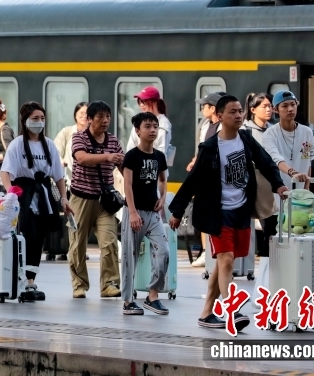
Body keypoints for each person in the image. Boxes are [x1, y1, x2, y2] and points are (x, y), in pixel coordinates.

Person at [169, 95, 288, 331]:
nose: (237, 115)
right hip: (217, 213)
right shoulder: (211, 147)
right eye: (232, 112)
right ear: (220, 116)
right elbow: (193, 181)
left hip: (241, 211)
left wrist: (279, 185)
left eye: (239, 111)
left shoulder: (245, 139)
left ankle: (206, 313)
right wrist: (177, 210)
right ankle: (232, 312)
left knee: (224, 264)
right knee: (227, 260)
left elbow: (266, 162)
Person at [0, 101, 68, 301]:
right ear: (25, 120)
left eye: (42, 118)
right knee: (25, 236)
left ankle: (30, 281)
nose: (39, 122)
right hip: (24, 194)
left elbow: (58, 176)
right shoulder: (17, 144)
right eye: (35, 118)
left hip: (43, 195)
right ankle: (21, 279)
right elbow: (6, 172)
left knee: (38, 239)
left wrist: (63, 199)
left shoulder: (50, 145)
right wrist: (11, 194)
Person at [68, 100, 123, 298]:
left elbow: (124, 167)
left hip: (104, 201)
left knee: (109, 242)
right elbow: (82, 158)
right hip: (80, 200)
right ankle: (79, 285)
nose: (105, 120)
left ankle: (109, 284)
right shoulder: (78, 138)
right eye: (99, 116)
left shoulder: (114, 141)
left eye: (107, 116)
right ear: (89, 119)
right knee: (77, 245)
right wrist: (108, 157)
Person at [120, 112, 169, 316]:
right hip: (134, 212)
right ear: (138, 131)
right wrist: (132, 212)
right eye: (147, 126)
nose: (152, 130)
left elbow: (163, 180)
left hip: (153, 214)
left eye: (155, 126)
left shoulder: (159, 156)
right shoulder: (131, 156)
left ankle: (152, 295)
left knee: (164, 251)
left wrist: (163, 198)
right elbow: (128, 185)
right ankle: (128, 300)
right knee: (129, 257)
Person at [186, 91, 225, 268]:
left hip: (216, 178)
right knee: (202, 212)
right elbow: (201, 149)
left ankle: (214, 250)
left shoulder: (223, 127)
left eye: (205, 105)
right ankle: (204, 250)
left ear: (214, 108)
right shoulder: (204, 125)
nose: (202, 108)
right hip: (203, 176)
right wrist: (195, 161)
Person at [243, 92, 275, 256]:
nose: (269, 110)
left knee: (270, 221)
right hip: (250, 180)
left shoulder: (274, 130)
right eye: (265, 106)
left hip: (268, 181)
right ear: (253, 109)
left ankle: (266, 253)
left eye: (270, 106)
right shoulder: (245, 130)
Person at [125, 87, 172, 164]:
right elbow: (130, 148)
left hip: (155, 170)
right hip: (136, 168)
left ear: (155, 102)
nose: (141, 105)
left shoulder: (163, 123)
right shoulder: (138, 121)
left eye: (144, 101)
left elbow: (161, 151)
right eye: (140, 102)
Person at [54, 102, 88, 187]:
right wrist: (60, 160)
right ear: (75, 115)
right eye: (81, 113)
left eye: (87, 113)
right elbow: (55, 151)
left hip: (88, 183)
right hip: (68, 182)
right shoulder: (67, 132)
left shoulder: (94, 135)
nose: (84, 116)